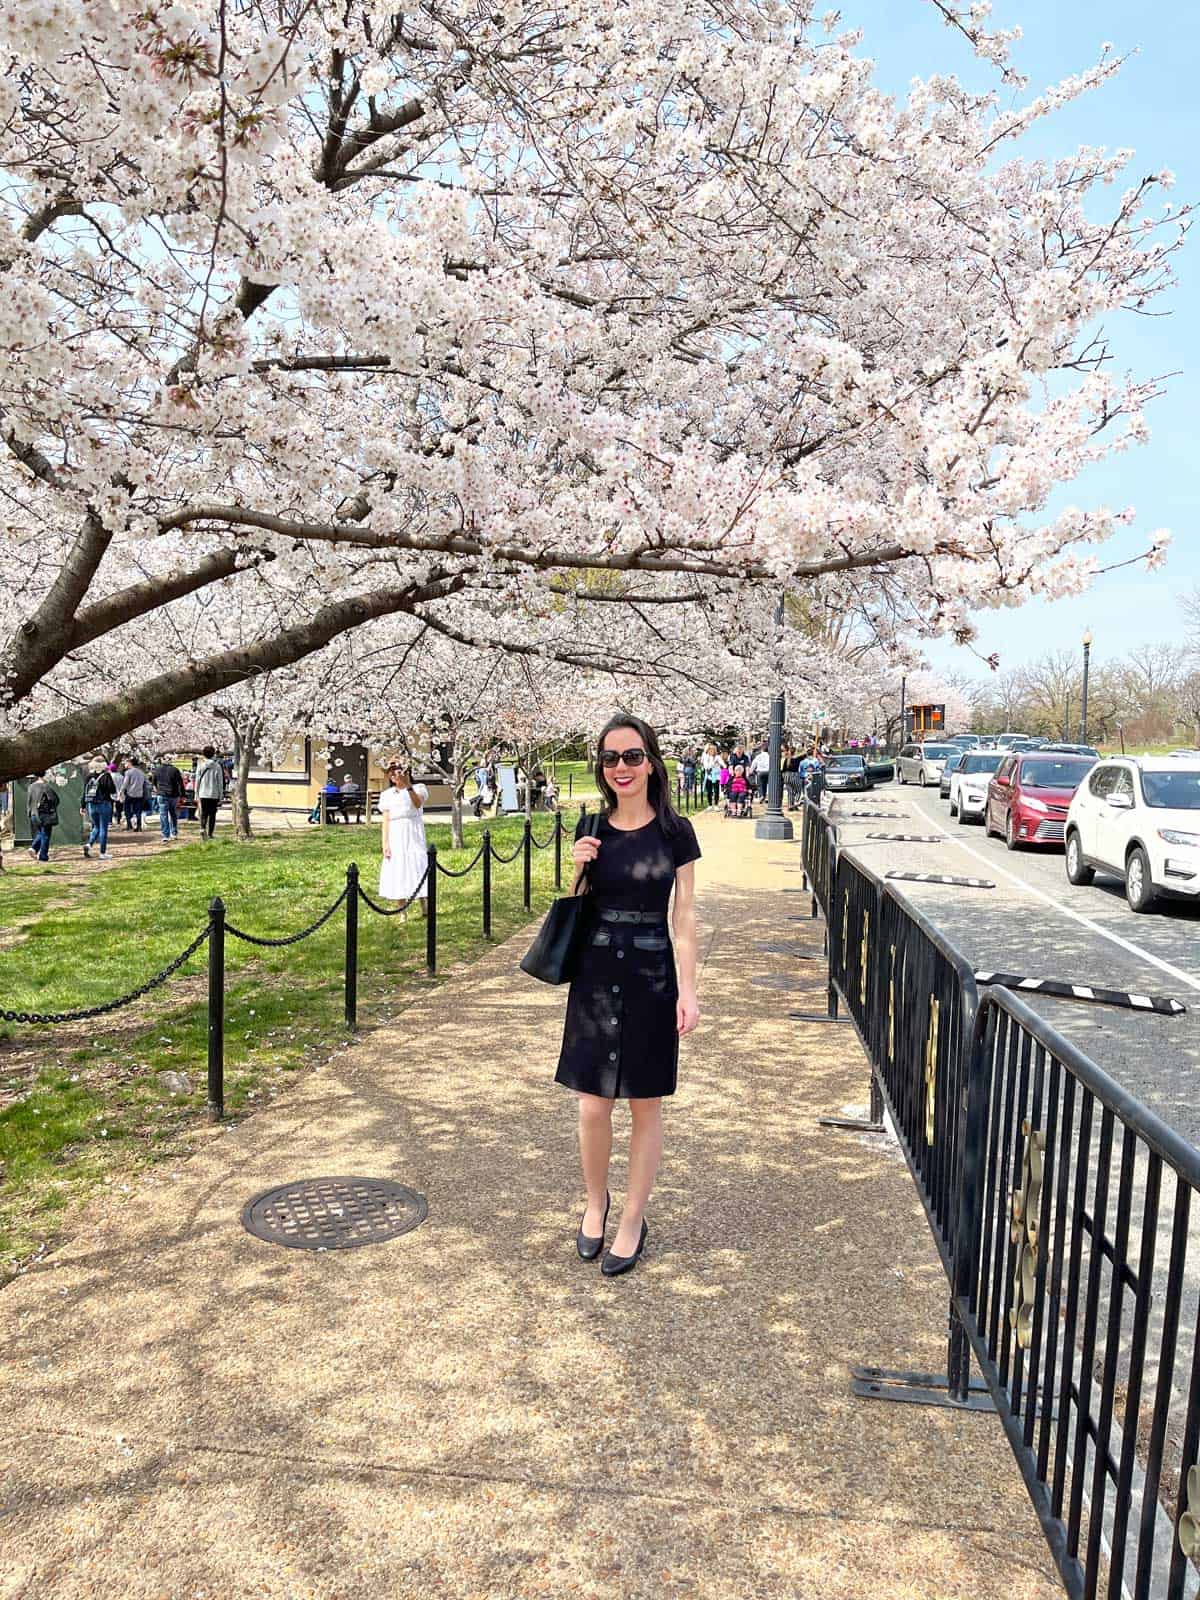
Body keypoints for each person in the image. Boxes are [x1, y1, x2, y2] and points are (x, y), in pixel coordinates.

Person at [558, 714, 701, 1278]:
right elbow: (576, 905)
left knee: (646, 1103)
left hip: (651, 975)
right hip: (595, 973)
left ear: (652, 761)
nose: (621, 767)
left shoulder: (676, 834)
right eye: (611, 758)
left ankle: (632, 1218)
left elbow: (684, 918)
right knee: (593, 1104)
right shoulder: (591, 826)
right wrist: (577, 867)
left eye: (632, 756)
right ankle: (596, 1202)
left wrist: (688, 991)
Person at [378, 760, 429, 916]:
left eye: (398, 771)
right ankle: (402, 911)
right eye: (391, 772)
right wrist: (385, 843)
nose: (395, 774)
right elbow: (386, 820)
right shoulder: (387, 795)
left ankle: (424, 905)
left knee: (417, 865)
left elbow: (417, 804)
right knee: (398, 867)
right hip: (396, 833)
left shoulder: (418, 788)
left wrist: (408, 786)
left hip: (413, 830)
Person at [81, 758, 118, 859]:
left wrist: (83, 806)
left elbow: (84, 791)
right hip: (104, 804)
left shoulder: (89, 776)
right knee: (103, 829)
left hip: (91, 805)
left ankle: (89, 845)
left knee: (96, 827)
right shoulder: (106, 776)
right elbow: (112, 789)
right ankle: (102, 852)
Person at [27, 770, 59, 862]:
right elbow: (55, 799)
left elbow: (28, 801)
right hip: (44, 814)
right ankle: (43, 856)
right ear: (44, 775)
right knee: (46, 835)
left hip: (33, 814)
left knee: (41, 833)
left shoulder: (31, 787)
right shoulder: (46, 787)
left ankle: (34, 849)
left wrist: (29, 813)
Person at [194, 745, 225, 839]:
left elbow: (197, 780)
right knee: (212, 814)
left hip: (203, 793)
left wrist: (196, 793)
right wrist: (221, 795)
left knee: (203, 813)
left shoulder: (201, 766)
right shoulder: (217, 766)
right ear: (213, 754)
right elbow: (220, 782)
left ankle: (202, 828)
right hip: (214, 793)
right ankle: (210, 833)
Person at [152, 755, 185, 839]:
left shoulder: (157, 770)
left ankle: (165, 835)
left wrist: (157, 789)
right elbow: (180, 784)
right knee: (173, 813)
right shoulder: (175, 770)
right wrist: (183, 795)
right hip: (173, 795)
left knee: (163, 815)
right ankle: (174, 833)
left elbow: (154, 782)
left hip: (162, 793)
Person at [121, 758, 149, 830]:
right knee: (138, 811)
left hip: (130, 794)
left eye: (126, 763)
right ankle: (139, 826)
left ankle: (129, 825)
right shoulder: (142, 773)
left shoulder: (128, 772)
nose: (125, 764)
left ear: (130, 763)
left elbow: (125, 784)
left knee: (127, 810)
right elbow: (144, 784)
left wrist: (121, 791)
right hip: (139, 794)